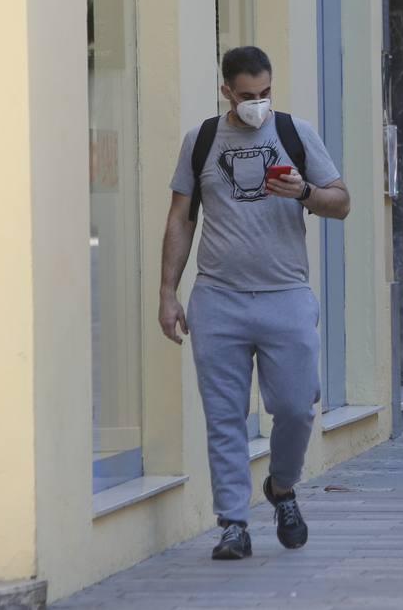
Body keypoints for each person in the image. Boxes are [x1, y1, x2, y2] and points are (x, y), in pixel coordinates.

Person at [159, 46, 351, 560]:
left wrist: (304, 190)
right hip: (217, 297)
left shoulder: (294, 133)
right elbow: (181, 218)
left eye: (265, 94)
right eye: (247, 96)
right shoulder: (201, 141)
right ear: (226, 91)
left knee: (294, 408)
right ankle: (233, 524)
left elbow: (342, 201)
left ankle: (282, 487)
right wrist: (167, 293)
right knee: (224, 417)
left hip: (285, 295)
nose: (257, 105)